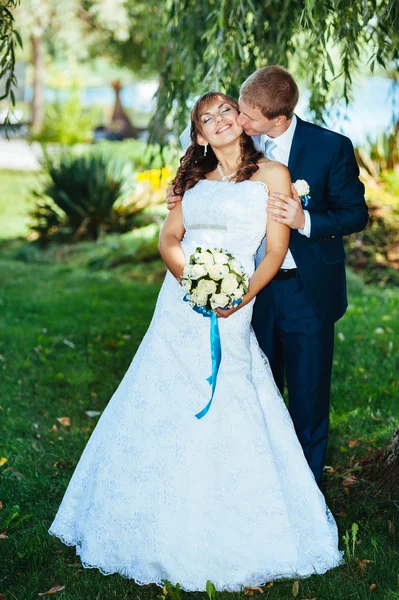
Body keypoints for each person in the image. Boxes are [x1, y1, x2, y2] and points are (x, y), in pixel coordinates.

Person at [49, 92, 343, 592]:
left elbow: (273, 251)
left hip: (235, 305)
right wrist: (192, 280)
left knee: (233, 391)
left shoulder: (273, 175)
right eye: (206, 119)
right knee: (160, 393)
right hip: (180, 302)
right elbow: (169, 239)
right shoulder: (190, 180)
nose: (219, 120)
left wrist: (237, 296)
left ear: (242, 119)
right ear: (200, 135)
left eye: (225, 110)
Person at [167, 66, 368, 485]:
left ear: (277, 119)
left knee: (308, 400)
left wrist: (305, 219)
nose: (237, 120)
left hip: (306, 291)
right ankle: (260, 484)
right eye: (234, 112)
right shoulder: (234, 142)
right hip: (249, 295)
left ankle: (306, 494)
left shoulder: (329, 147)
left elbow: (355, 214)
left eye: (246, 117)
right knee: (255, 393)